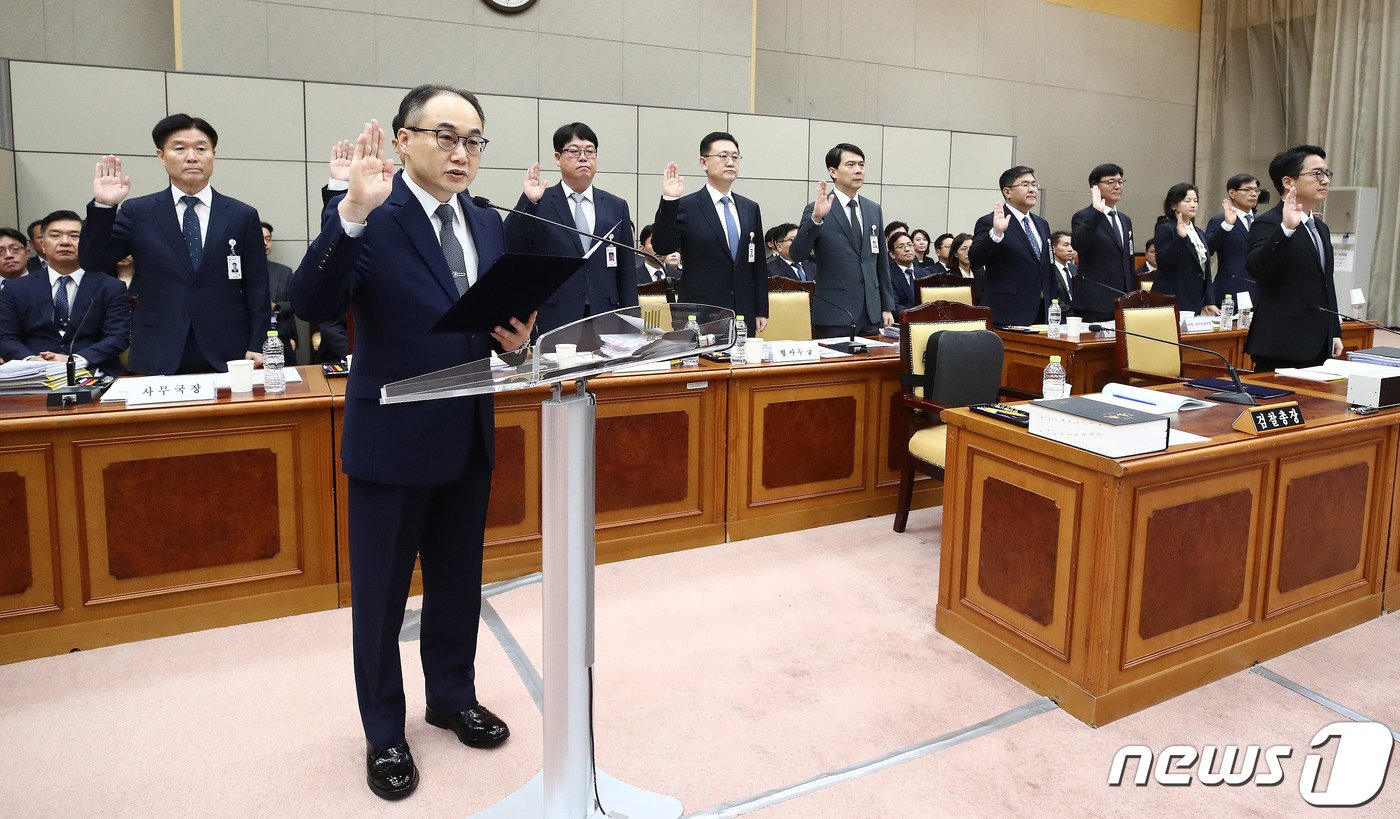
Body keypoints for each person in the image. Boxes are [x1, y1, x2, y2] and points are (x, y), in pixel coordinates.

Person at [291, 85, 533, 802]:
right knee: (382, 596)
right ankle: (384, 732)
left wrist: (516, 347)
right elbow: (310, 302)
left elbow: (490, 326)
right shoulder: (374, 217)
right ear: (403, 140)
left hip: (468, 430)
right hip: (391, 437)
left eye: (474, 141)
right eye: (446, 137)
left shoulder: (487, 223)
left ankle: (452, 696)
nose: (462, 154)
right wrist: (352, 213)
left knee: (460, 583)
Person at [79, 113, 269, 375]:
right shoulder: (138, 211)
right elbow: (94, 261)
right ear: (161, 156)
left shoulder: (241, 214)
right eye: (179, 148)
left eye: (201, 148)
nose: (192, 156)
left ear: (213, 154)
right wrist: (104, 206)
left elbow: (257, 286)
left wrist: (258, 342)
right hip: (158, 347)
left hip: (228, 348)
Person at [507, 122, 636, 336]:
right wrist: (528, 202)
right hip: (556, 317)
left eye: (590, 151)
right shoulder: (540, 201)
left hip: (606, 316)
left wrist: (631, 321)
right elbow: (511, 243)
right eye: (574, 151)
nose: (583, 157)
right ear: (558, 158)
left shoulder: (616, 206)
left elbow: (627, 270)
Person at [651, 131, 768, 332]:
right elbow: (662, 245)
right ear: (703, 162)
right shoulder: (687, 206)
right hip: (701, 313)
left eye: (735, 156)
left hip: (743, 312)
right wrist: (670, 200)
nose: (730, 162)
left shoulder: (750, 208)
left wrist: (761, 309)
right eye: (723, 156)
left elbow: (757, 263)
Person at [1245, 144, 1341, 371]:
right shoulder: (1269, 222)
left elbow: (1326, 283)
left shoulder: (1321, 227)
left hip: (1318, 344)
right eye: (1317, 174)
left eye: (1327, 174)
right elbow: (1257, 269)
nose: (1325, 180)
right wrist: (1286, 230)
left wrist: (1333, 330)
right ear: (1288, 182)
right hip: (1282, 345)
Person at [0, 210, 129, 372]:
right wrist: (32, 360)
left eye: (74, 236)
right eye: (55, 236)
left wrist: (75, 360)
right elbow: (6, 337)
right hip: (33, 373)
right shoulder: (16, 288)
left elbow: (118, 337)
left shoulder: (111, 287)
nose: (65, 242)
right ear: (42, 244)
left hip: (93, 370)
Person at [789, 142, 894, 337]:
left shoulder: (873, 209)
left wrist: (886, 305)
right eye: (851, 165)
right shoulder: (817, 208)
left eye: (861, 165)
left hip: (871, 313)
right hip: (835, 313)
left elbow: (880, 261)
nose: (858, 170)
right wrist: (816, 219)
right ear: (833, 171)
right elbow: (797, 254)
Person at [969, 165, 1052, 326]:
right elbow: (975, 259)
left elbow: (1046, 266)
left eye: (1034, 185)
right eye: (1025, 185)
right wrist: (996, 233)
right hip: (1006, 311)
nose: (1032, 189)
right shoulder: (989, 221)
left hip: (1043, 312)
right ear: (1007, 192)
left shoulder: (1042, 224)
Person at [1069, 163, 1136, 322]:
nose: (1117, 186)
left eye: (1120, 182)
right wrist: (1097, 212)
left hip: (1123, 301)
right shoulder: (1084, 216)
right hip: (1095, 302)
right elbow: (1079, 244)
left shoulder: (1125, 220)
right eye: (1110, 182)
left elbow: (1129, 259)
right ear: (1095, 188)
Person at [1152, 183, 1223, 316]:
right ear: (1173, 205)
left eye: (1195, 201)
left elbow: (1204, 270)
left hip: (1195, 300)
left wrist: (1209, 301)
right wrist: (1180, 238)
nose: (1193, 204)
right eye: (1187, 200)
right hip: (1172, 299)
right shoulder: (1165, 228)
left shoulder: (1198, 232)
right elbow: (1163, 262)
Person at [1205, 173, 1262, 306]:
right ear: (1232, 192)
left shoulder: (1263, 221)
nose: (1253, 194)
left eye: (1256, 190)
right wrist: (1227, 225)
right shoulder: (1220, 221)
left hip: (1259, 292)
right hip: (1230, 292)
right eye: (1247, 190)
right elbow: (1207, 250)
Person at [261, 221, 299, 364]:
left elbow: (295, 303)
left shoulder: (284, 272)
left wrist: (275, 306)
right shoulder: (239, 272)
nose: (265, 243)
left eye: (268, 239)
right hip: (250, 334)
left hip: (279, 331)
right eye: (261, 238)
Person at [886, 231, 921, 315]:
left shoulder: (925, 274)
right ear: (892, 254)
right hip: (901, 322)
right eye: (901, 246)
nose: (907, 249)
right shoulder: (888, 276)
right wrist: (917, 315)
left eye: (910, 245)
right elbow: (893, 305)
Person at [1048, 231, 1076, 313]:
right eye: (1065, 245)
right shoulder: (1049, 270)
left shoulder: (1075, 269)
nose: (1070, 249)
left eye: (1072, 245)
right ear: (1053, 248)